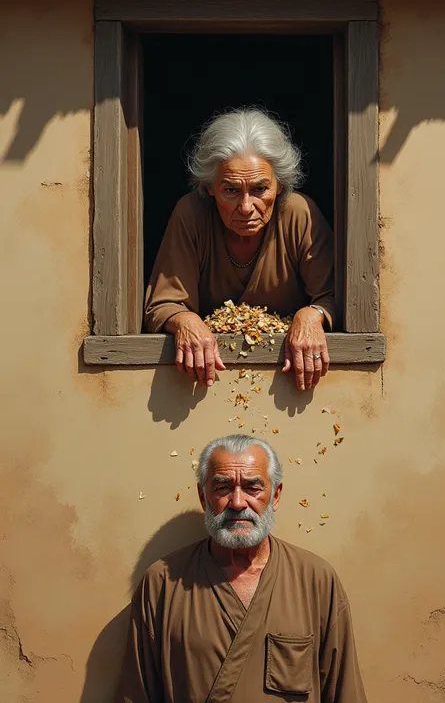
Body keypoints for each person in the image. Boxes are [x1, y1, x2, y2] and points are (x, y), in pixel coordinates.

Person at [115, 435, 367, 703]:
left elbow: (344, 691)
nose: (237, 502)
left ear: (276, 495)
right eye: (223, 488)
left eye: (252, 488)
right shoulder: (163, 583)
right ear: (203, 497)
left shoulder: (315, 579)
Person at [145, 108, 335, 391]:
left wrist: (311, 315)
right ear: (210, 188)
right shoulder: (191, 214)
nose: (246, 207)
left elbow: (334, 296)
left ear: (279, 185)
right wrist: (186, 322)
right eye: (231, 190)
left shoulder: (299, 213)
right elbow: (162, 304)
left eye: (260, 189)